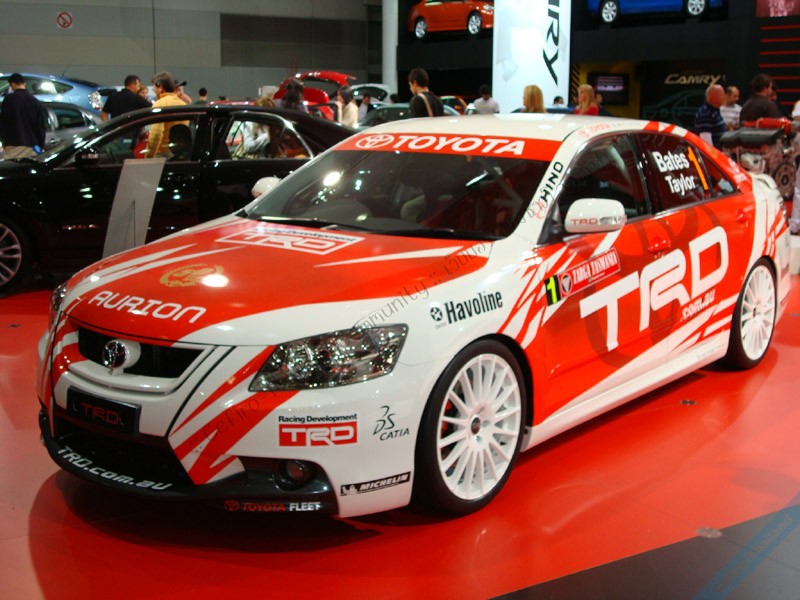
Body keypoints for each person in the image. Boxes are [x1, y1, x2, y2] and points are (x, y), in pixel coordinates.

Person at [0, 73, 46, 159]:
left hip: (13, 145)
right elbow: (40, 126)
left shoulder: (9, 99)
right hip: (32, 146)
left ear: (12, 84)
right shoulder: (35, 101)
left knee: (13, 167)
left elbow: (4, 123)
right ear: (24, 83)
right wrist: (41, 145)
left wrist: (4, 142)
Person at [144, 71, 189, 158]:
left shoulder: (160, 104)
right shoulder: (183, 104)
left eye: (154, 88)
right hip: (180, 154)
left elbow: (156, 134)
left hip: (163, 154)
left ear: (160, 87)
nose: (154, 91)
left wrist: (148, 156)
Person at [694, 83, 727, 149]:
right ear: (712, 97)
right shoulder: (705, 114)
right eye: (722, 95)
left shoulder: (715, 110)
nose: (724, 97)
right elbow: (706, 143)